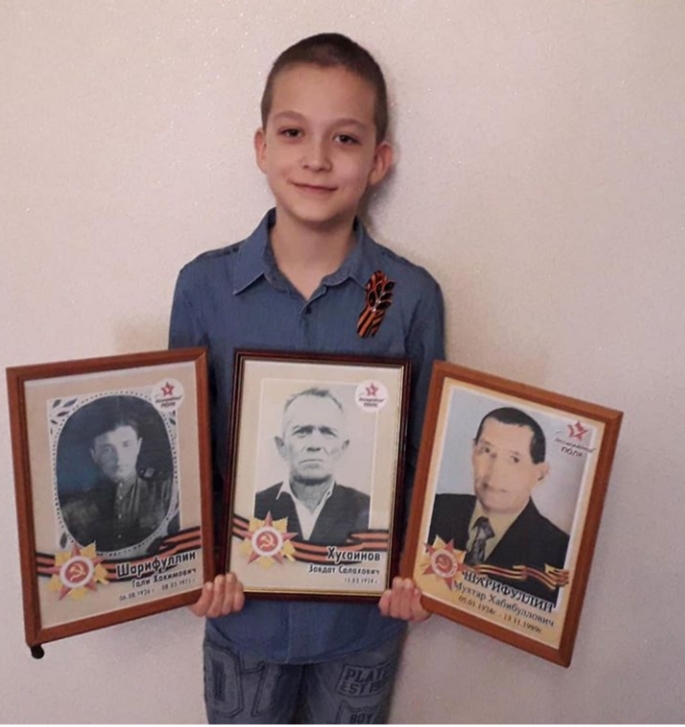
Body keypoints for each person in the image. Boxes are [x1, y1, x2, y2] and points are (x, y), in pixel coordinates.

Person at [169, 32, 444, 723]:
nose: (316, 158)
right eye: (294, 132)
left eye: (344, 139)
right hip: (244, 619)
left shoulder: (410, 297)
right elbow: (185, 457)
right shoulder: (203, 287)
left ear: (378, 160)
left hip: (360, 624)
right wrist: (189, 566)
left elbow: (424, 457)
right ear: (262, 146)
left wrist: (423, 572)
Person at [428, 407, 569, 603]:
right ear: (473, 451)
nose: (495, 471)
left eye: (514, 459)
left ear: (540, 474)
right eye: (487, 451)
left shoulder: (560, 552)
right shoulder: (434, 509)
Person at [255, 387, 369, 544]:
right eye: (302, 431)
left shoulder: (366, 509)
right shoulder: (254, 506)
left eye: (328, 432)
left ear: (342, 448)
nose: (315, 445)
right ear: (281, 446)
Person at [59, 405, 176, 554]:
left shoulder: (166, 492)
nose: (119, 458)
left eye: (126, 445)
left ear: (138, 446)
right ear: (94, 454)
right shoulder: (72, 511)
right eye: (107, 449)